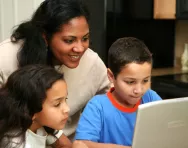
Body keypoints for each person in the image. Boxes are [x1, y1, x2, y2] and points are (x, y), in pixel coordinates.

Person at [0, 0, 110, 140]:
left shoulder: (91, 62)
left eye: (85, 38)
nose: (80, 48)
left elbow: (113, 103)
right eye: (69, 40)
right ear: (45, 37)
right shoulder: (6, 57)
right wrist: (56, 137)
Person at [74, 37, 162, 147]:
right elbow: (81, 144)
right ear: (111, 76)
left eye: (145, 80)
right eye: (130, 82)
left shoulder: (151, 98)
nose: (139, 90)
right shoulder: (97, 107)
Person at [0, 65, 71, 148]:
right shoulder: (16, 144)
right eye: (57, 104)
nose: (67, 109)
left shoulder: (40, 124)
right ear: (30, 109)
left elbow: (65, 145)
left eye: (65, 99)